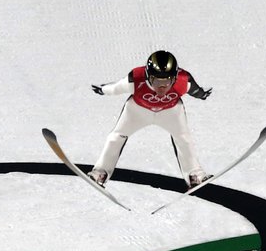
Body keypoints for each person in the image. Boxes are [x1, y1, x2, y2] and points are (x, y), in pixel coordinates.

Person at [89, 50, 213, 188]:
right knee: (116, 137)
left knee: (184, 138)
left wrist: (202, 94)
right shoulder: (136, 78)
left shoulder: (184, 80)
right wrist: (103, 89)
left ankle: (194, 175)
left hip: (170, 112)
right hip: (137, 111)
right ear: (148, 77)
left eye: (167, 81)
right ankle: (100, 172)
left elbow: (196, 90)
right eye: (157, 80)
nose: (162, 86)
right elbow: (116, 88)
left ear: (175, 77)